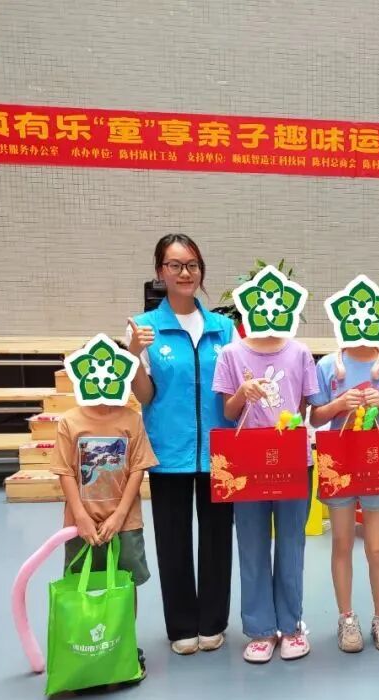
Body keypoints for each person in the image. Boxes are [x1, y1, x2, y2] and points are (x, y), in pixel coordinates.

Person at [127, 234, 237, 656]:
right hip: (168, 451)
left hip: (219, 451)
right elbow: (145, 395)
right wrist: (133, 355)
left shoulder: (224, 329)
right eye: (175, 265)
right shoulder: (144, 328)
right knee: (173, 543)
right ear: (161, 272)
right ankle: (181, 626)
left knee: (216, 541)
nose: (185, 272)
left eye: (191, 264)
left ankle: (212, 622)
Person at [213, 331, 318, 663]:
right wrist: (242, 393)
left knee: (291, 543)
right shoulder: (231, 354)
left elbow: (302, 408)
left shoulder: (300, 352)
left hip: (293, 460)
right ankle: (260, 630)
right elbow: (228, 413)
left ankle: (291, 625)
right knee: (252, 544)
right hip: (246, 462)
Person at [308, 345, 379, 654]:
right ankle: (346, 618)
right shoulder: (328, 365)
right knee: (341, 542)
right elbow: (315, 418)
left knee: (376, 547)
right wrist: (339, 404)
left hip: (378, 462)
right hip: (339, 461)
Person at [51, 389, 157, 676]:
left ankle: (124, 646)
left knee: (125, 584)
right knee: (82, 584)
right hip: (81, 524)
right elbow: (65, 471)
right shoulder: (70, 421)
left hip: (125, 522)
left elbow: (137, 469)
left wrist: (120, 515)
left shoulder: (132, 419)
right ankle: (86, 648)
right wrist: (81, 516)